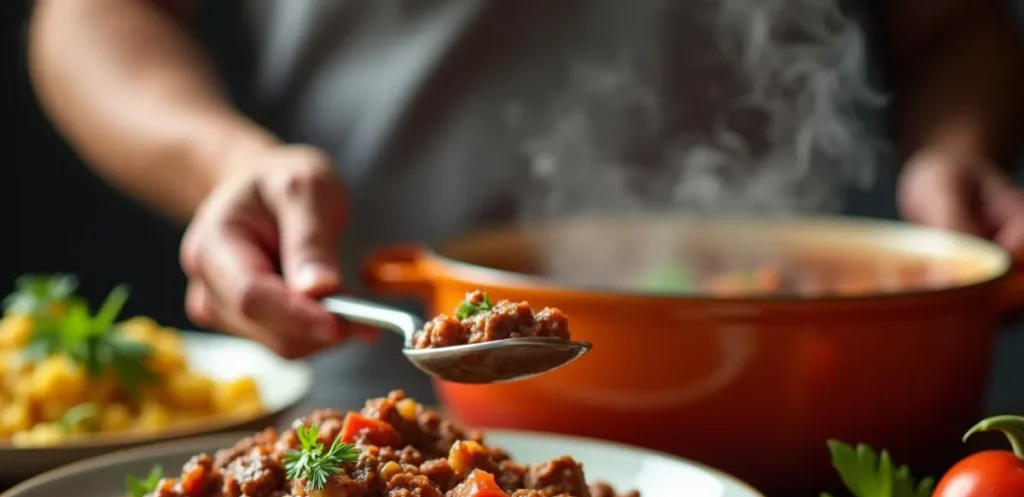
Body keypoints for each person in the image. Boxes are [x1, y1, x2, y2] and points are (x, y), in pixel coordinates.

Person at [26, 0, 1024, 403]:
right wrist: (222, 161)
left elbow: (948, 24)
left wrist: (955, 154)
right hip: (380, 383)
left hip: (812, 403)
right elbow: (93, 16)